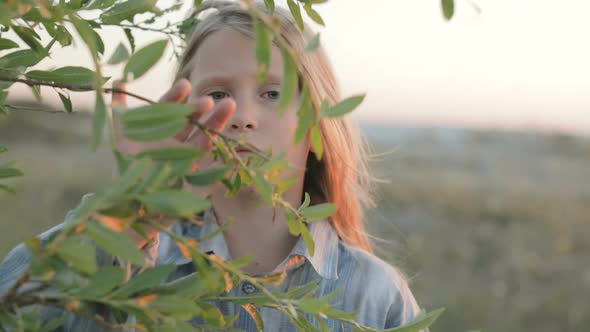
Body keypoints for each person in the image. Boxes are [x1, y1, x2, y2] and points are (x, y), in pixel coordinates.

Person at [0, 1, 427, 331]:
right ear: (182, 118)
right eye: (218, 94)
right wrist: (126, 215)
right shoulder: (138, 254)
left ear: (317, 125)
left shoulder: (374, 297)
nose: (241, 115)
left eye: (272, 93)